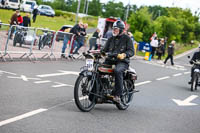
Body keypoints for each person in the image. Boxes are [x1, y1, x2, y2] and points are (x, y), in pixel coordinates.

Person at [101, 20, 134, 103]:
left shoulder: (127, 39)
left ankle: (117, 95)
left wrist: (125, 55)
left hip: (122, 62)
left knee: (117, 71)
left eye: (116, 29)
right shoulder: (110, 39)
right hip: (110, 60)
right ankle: (97, 93)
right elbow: (104, 50)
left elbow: (131, 51)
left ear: (121, 30)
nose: (114, 30)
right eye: (113, 29)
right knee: (98, 69)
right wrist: (98, 52)